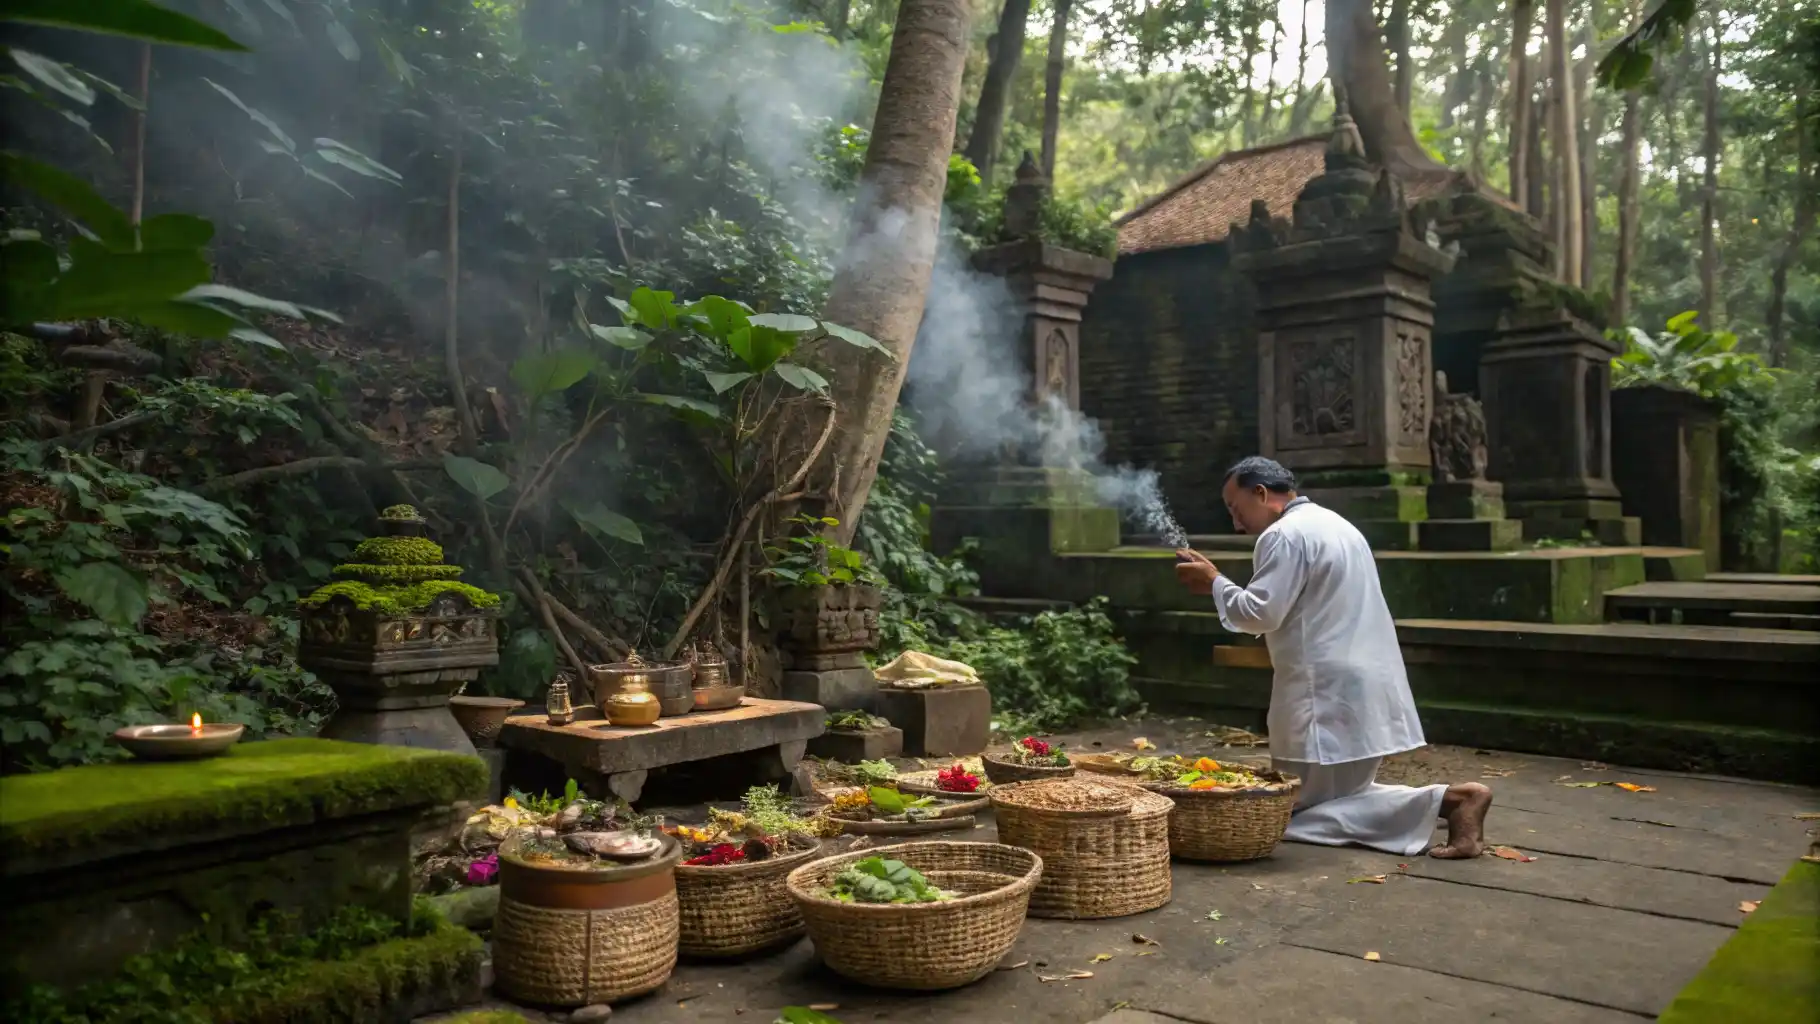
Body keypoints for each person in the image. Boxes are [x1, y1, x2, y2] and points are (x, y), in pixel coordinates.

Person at [1172, 455, 1491, 859]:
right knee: (1342, 797)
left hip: (1322, 692)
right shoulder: (1339, 525)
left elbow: (1261, 612)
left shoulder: (1283, 534)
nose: (1237, 524)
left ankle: (1453, 800)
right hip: (1361, 683)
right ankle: (1450, 804)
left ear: (1261, 493)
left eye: (1236, 510)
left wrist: (1214, 582)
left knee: (1288, 814)